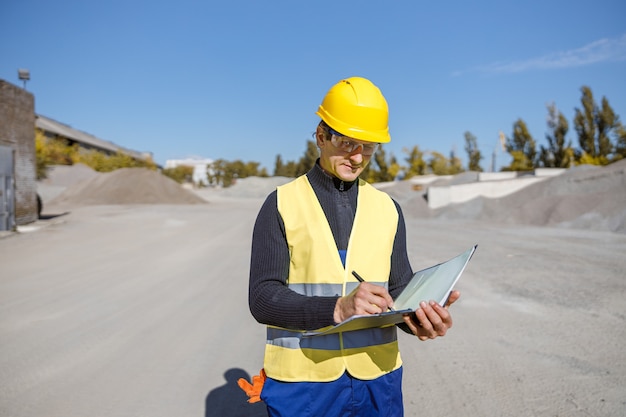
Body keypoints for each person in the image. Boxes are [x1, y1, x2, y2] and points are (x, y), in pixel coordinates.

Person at [247, 76, 460, 417]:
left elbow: (397, 292)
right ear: (321, 136)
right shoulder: (281, 204)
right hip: (305, 385)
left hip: (378, 382)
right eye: (347, 143)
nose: (358, 157)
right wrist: (338, 308)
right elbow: (262, 298)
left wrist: (418, 318)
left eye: (369, 146)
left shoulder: (388, 208)